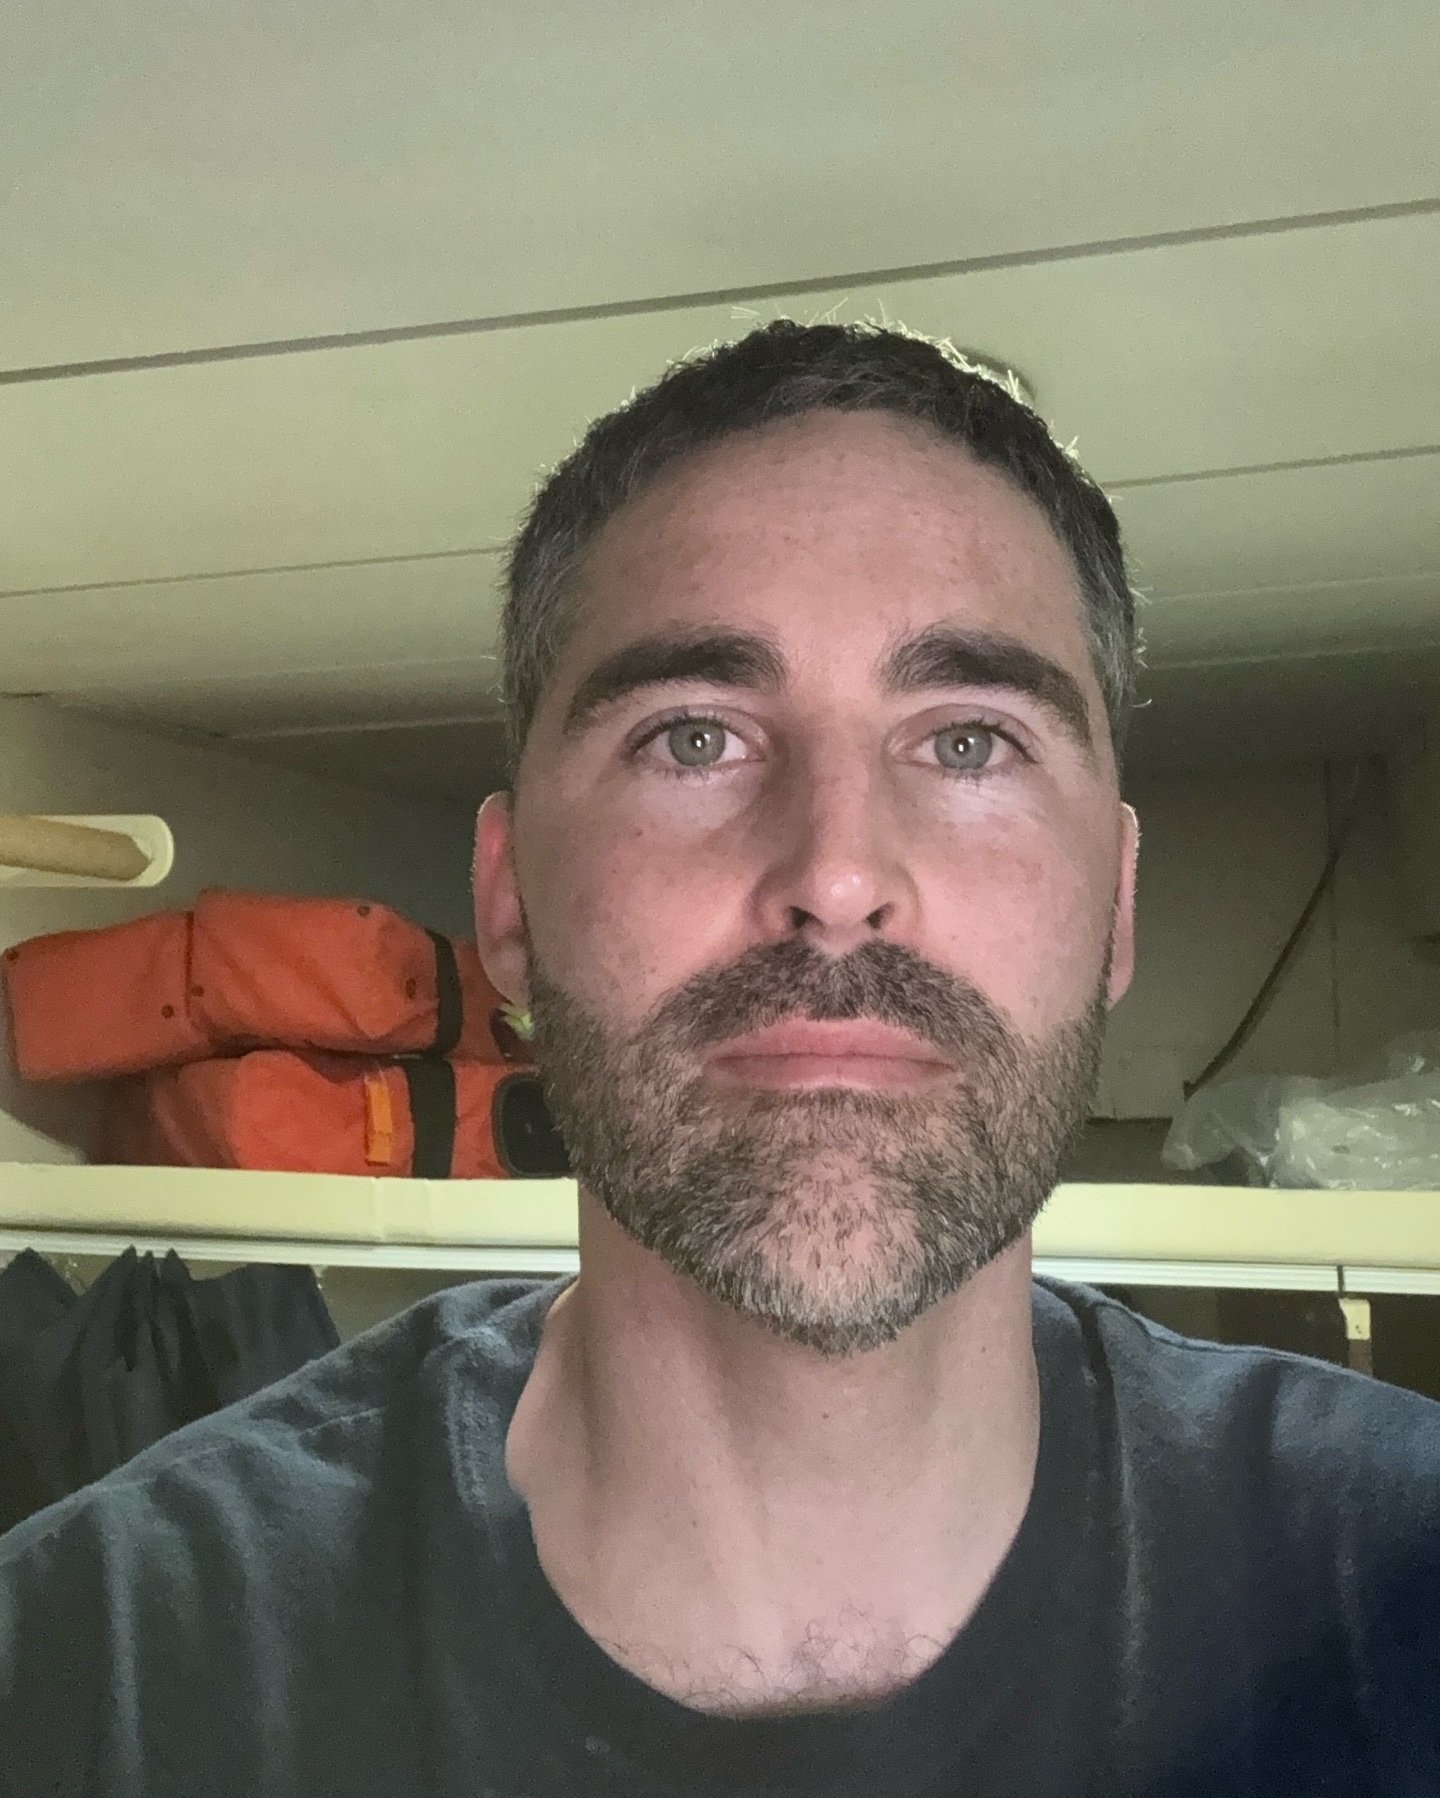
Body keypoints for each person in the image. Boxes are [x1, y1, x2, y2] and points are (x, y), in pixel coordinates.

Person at [1, 320, 1437, 1797]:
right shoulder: (87, 1678)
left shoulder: (1405, 1582)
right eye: (694, 738)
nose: (837, 874)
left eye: (968, 742)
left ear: (1116, 907)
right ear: (510, 901)